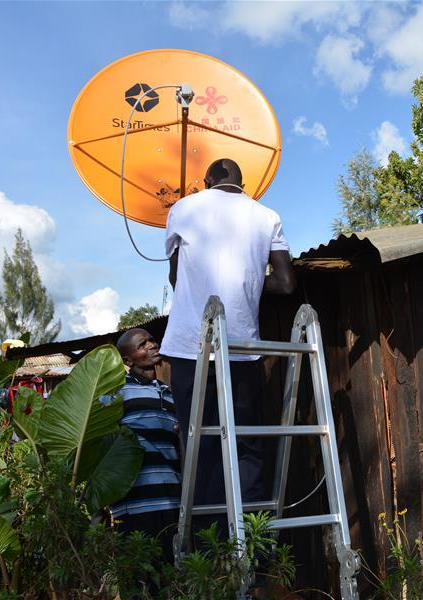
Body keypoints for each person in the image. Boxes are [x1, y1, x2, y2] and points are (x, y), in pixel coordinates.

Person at [160, 158, 296, 535]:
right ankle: (250, 548)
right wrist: (249, 284)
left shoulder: (183, 208)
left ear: (206, 181)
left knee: (199, 447)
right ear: (243, 181)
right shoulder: (266, 215)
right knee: (248, 447)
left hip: (189, 347)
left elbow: (174, 275)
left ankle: (209, 548)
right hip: (242, 349)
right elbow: (286, 284)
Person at [109, 328, 181, 562]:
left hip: (171, 501)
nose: (152, 345)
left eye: (152, 340)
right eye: (142, 345)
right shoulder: (116, 394)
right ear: (128, 360)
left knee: (172, 580)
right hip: (135, 507)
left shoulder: (170, 393)